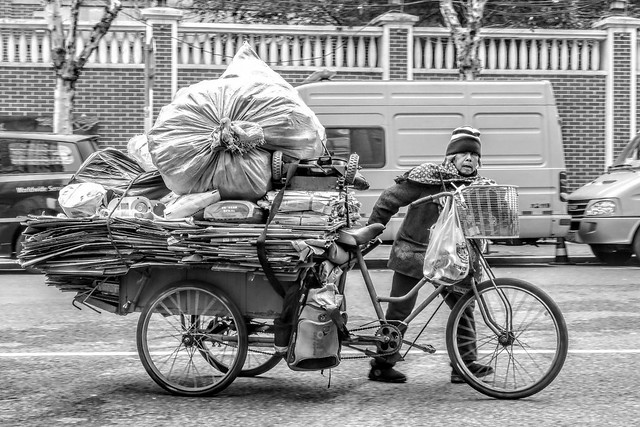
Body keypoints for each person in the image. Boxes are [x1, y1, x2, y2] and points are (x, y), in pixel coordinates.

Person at [366, 125, 494, 384]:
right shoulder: (428, 177)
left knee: (463, 306)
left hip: (450, 258)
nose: (469, 159)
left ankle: (464, 366)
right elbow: (388, 200)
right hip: (413, 252)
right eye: (464, 154)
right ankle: (381, 365)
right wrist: (371, 231)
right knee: (400, 309)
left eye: (474, 155)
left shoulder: (477, 187)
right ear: (451, 158)